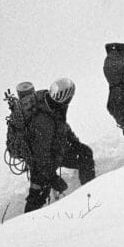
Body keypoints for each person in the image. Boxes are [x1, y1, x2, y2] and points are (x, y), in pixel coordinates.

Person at [24, 77, 95, 213]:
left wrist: (75, 142)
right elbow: (40, 156)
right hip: (41, 163)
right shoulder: (44, 121)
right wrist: (53, 178)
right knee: (38, 194)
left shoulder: (53, 105)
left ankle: (89, 195)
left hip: (55, 152)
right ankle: (25, 224)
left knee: (85, 153)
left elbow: (62, 127)